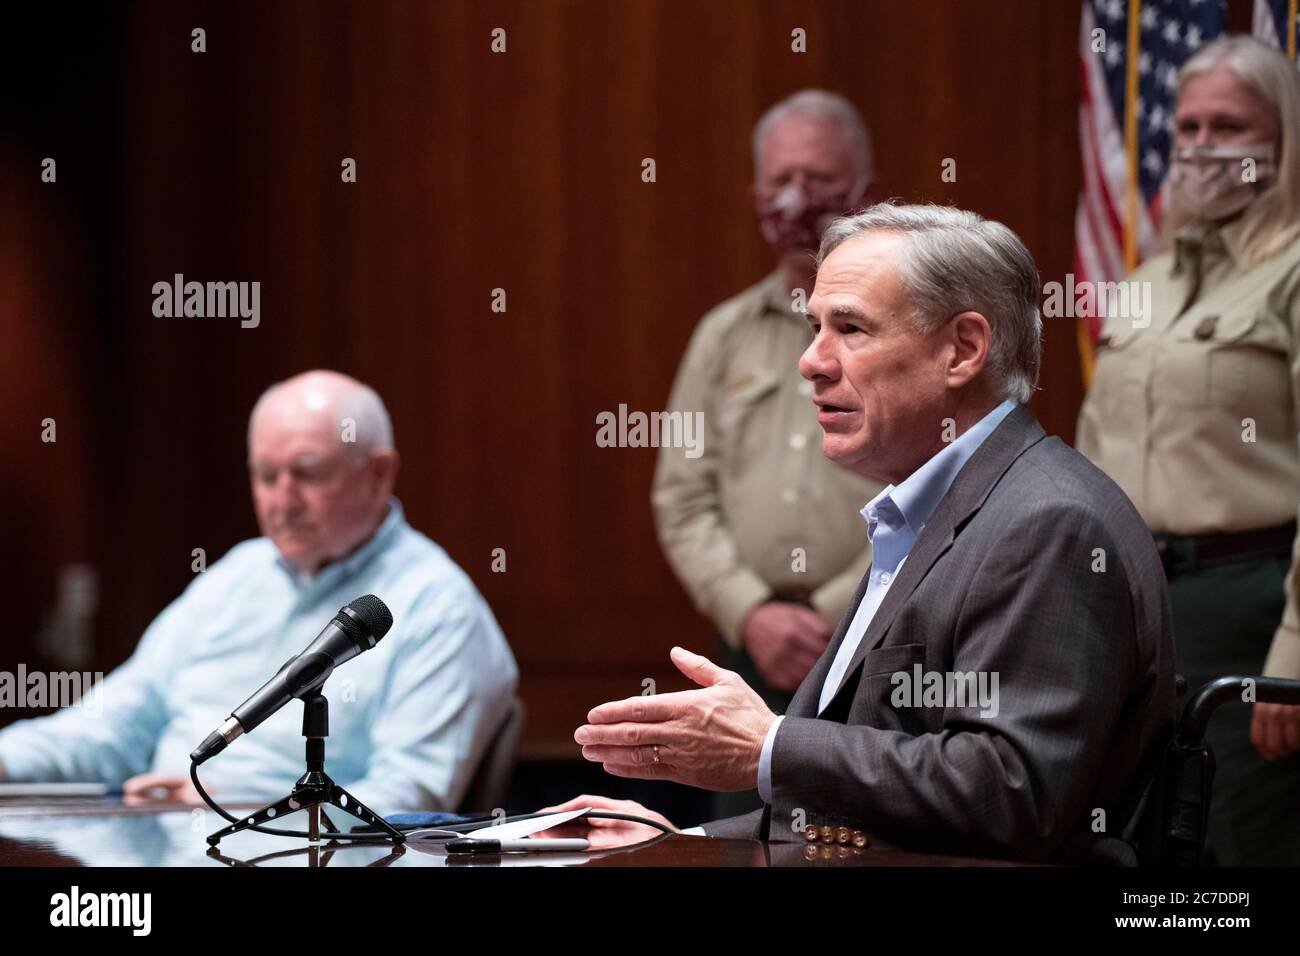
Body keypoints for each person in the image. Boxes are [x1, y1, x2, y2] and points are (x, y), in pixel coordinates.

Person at [548, 204, 1175, 863]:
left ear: (962, 349)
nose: (811, 362)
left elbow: (1011, 794)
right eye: (814, 326)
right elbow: (848, 822)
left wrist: (769, 747)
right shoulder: (932, 513)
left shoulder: (1049, 523)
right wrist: (674, 840)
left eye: (850, 328)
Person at [0, 370, 518, 813]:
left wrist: (236, 806)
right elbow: (109, 729)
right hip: (159, 848)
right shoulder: (235, 576)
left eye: (308, 474)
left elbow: (411, 797)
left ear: (379, 474)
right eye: (266, 476)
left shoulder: (438, 604)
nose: (282, 501)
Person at [1076, 35, 1300, 865]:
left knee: (1247, 843)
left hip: (1254, 605)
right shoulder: (1151, 279)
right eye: (1191, 126)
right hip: (1139, 608)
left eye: (1230, 126)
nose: (1205, 146)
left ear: (1280, 141)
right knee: (1149, 846)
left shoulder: (1292, 271)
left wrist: (1295, 650)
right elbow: (1094, 459)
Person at [651, 90, 884, 816]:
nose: (797, 197)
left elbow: (936, 487)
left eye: (819, 179)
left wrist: (836, 609)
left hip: (877, 642)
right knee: (746, 841)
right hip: (745, 655)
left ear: (863, 193)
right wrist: (750, 611)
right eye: (781, 180)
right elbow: (681, 497)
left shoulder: (899, 330)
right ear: (755, 195)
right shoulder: (722, 335)